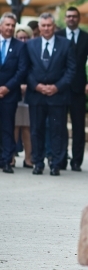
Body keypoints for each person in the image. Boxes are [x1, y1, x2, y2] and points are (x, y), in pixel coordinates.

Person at [26, 13, 76, 176]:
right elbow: (25, 69)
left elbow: (71, 70)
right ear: (39, 27)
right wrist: (37, 86)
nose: (46, 28)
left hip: (58, 96)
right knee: (36, 130)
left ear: (53, 26)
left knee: (57, 130)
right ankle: (37, 163)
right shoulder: (30, 44)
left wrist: (57, 87)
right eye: (43, 25)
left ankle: (56, 163)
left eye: (49, 25)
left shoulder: (66, 44)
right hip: (37, 95)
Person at [56, 6, 88, 172]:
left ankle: (76, 162)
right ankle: (60, 159)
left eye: (74, 16)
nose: (71, 19)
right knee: (59, 125)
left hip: (79, 89)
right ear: (65, 19)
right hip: (60, 87)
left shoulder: (87, 38)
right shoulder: (58, 36)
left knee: (78, 127)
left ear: (78, 18)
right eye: (68, 16)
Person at [0, 14, 29, 173]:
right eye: (7, 25)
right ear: (1, 26)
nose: (10, 28)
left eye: (13, 25)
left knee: (7, 127)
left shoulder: (20, 46)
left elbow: (22, 70)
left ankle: (6, 161)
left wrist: (6, 88)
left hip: (9, 94)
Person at [13, 26, 32, 169]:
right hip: (14, 91)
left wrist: (28, 86)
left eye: (26, 37)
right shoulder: (13, 50)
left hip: (30, 93)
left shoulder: (33, 51)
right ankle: (11, 157)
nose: (23, 40)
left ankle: (28, 158)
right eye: (20, 37)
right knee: (14, 126)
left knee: (27, 127)